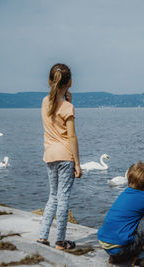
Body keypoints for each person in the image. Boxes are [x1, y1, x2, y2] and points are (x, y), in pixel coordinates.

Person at [37, 63, 82, 250]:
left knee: (53, 196)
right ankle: (60, 241)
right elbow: (71, 136)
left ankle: (43, 236)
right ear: (70, 82)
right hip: (65, 156)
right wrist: (77, 163)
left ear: (50, 81)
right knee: (63, 198)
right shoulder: (67, 107)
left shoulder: (44, 102)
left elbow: (54, 109)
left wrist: (65, 99)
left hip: (50, 155)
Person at [98, 162, 144, 266]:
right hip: (121, 249)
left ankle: (116, 258)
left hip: (105, 245)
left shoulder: (124, 193)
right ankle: (141, 257)